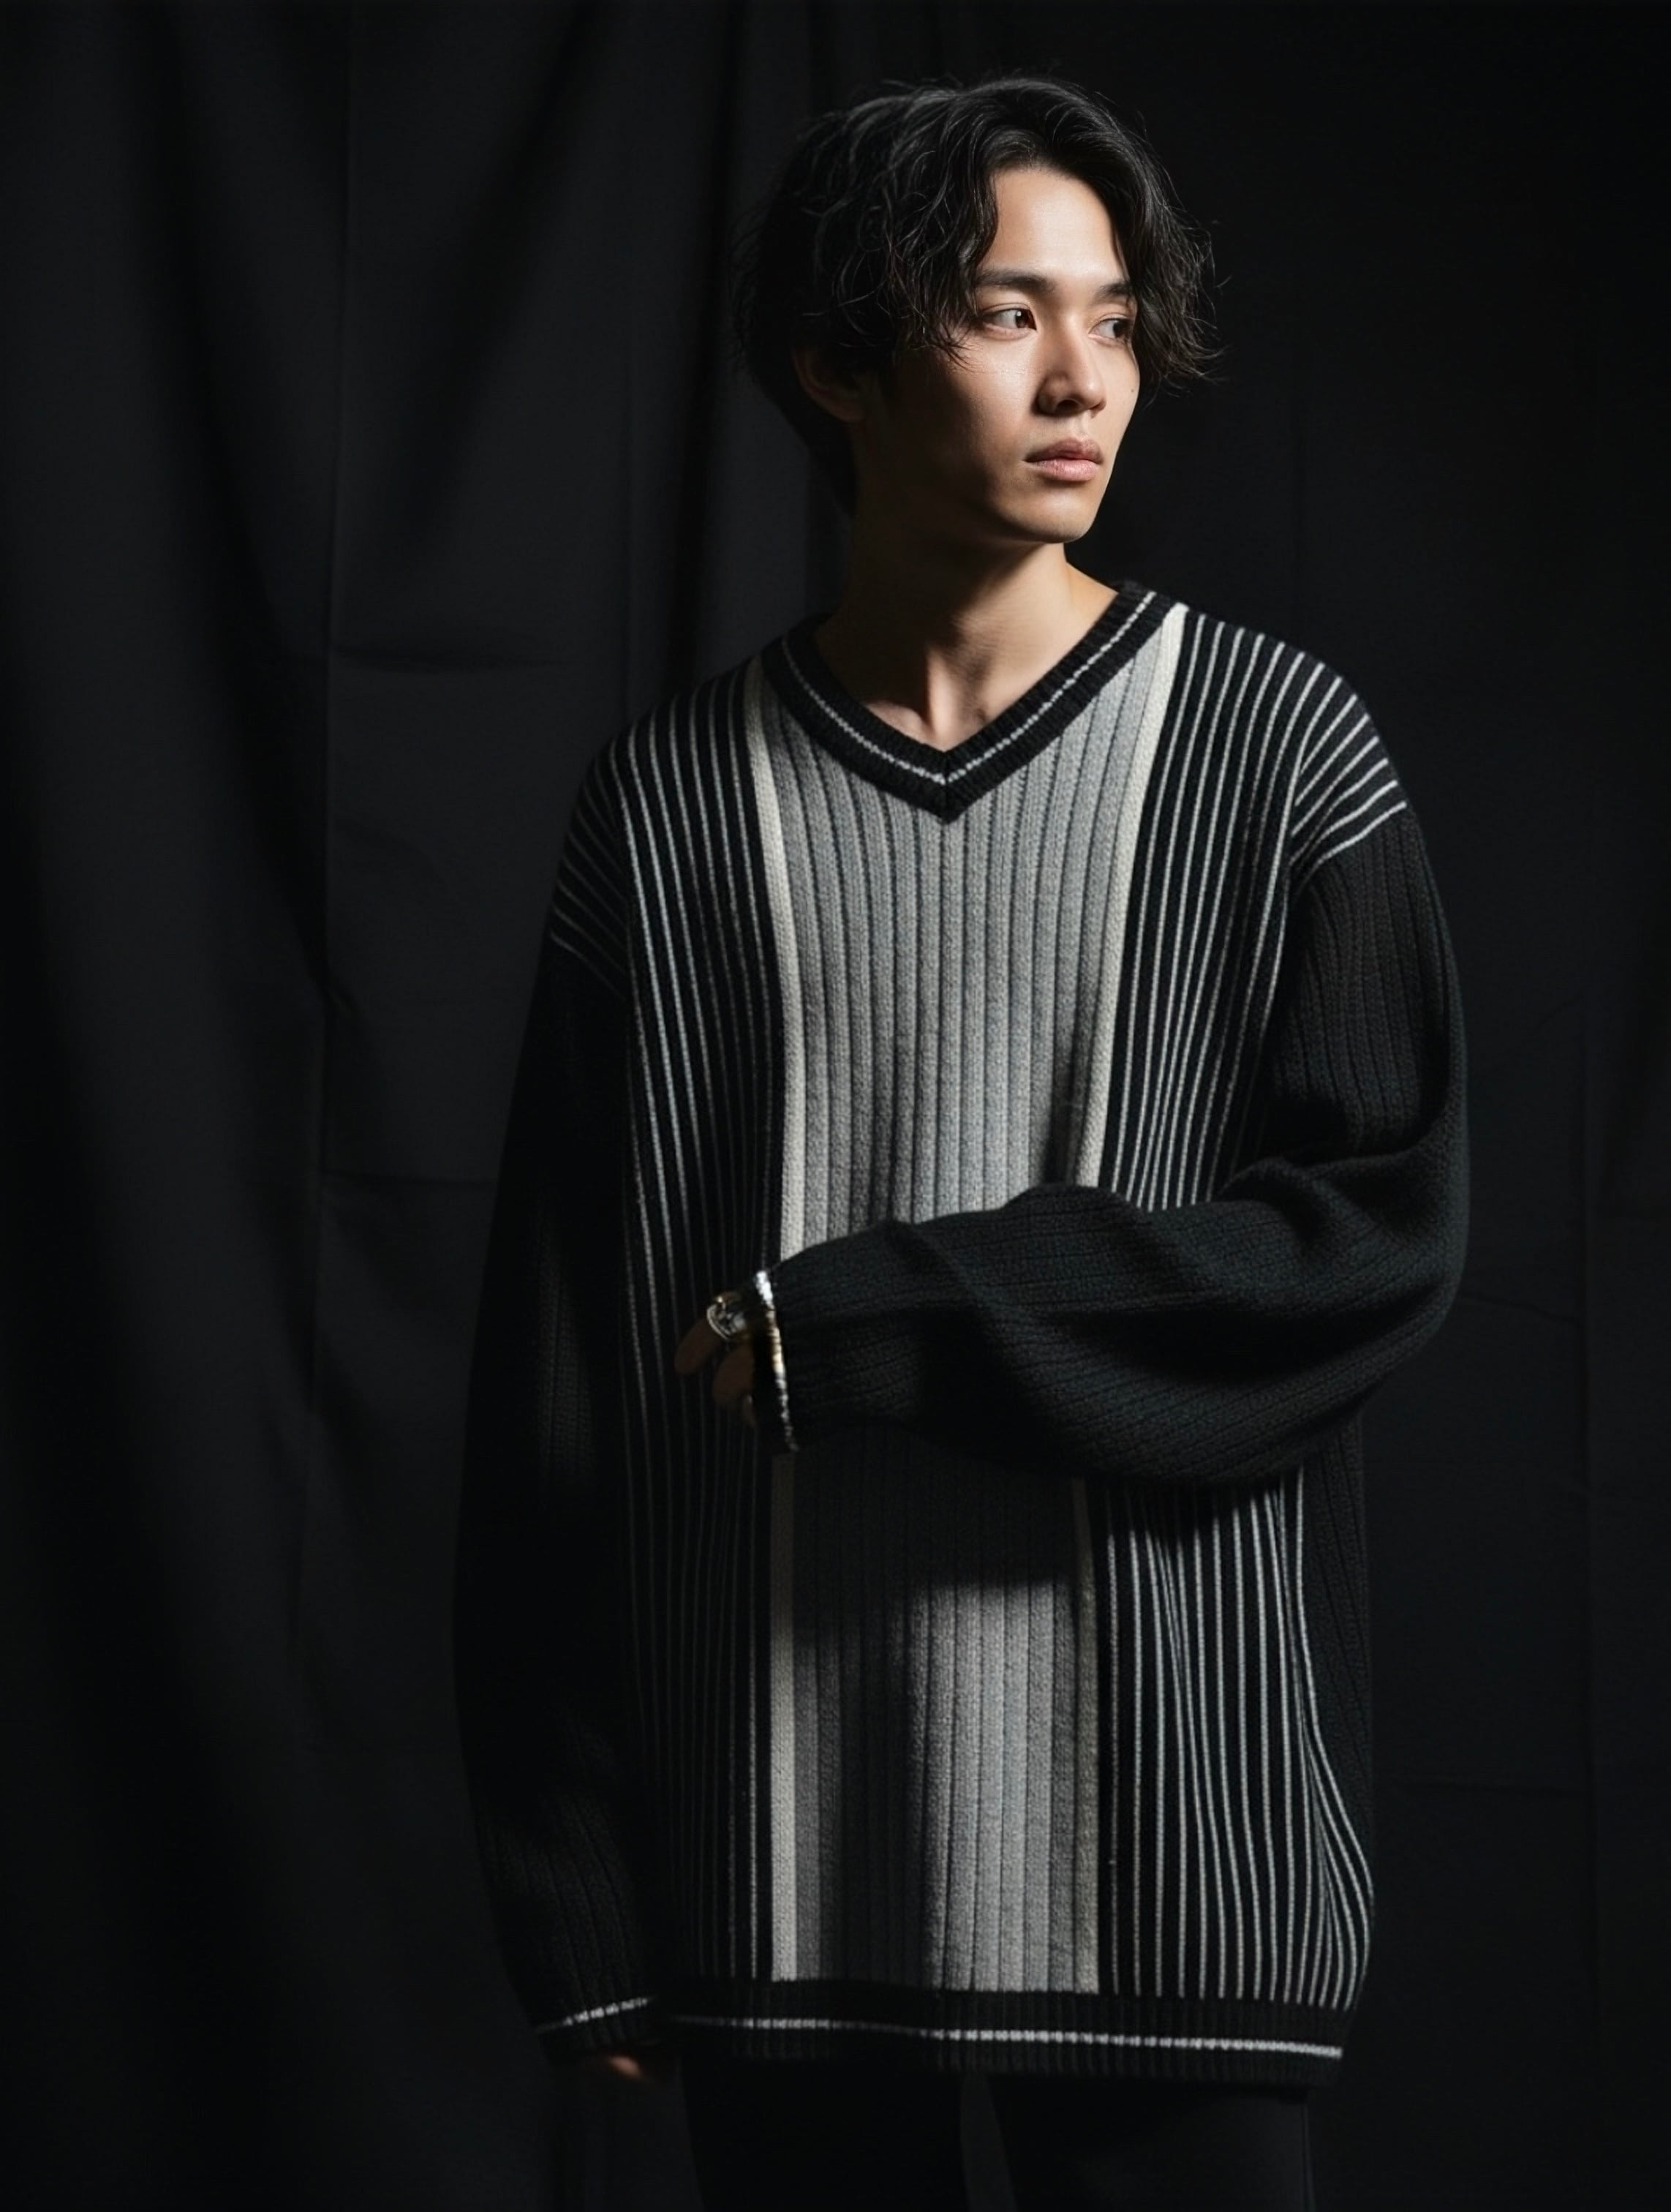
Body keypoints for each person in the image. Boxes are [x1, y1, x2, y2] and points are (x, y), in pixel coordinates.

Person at [457, 72, 1468, 2212]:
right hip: (777, 1866)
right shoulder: (665, 812)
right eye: (1008, 314)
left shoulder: (1280, 759)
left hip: (1174, 1869)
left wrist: (889, 1320)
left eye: (1115, 319)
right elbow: (559, 1383)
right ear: (839, 364)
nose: (1087, 379)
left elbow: (1375, 1238)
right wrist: (571, 1874)